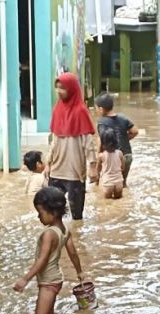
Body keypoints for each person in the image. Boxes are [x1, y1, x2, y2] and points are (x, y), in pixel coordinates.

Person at [13, 187, 85, 314]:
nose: (38, 216)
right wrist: (79, 272)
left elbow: (43, 259)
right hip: (56, 280)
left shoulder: (49, 234)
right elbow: (73, 253)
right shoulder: (65, 231)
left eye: (40, 213)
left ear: (54, 212)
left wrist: (25, 279)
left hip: (48, 282)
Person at [46, 73, 97, 220]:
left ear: (72, 89)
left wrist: (92, 166)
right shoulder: (57, 109)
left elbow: (88, 143)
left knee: (77, 217)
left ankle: (77, 240)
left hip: (74, 173)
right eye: (57, 88)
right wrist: (48, 164)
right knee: (53, 213)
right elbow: (54, 140)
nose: (59, 91)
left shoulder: (81, 111)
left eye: (62, 88)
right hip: (56, 171)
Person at [95, 93, 138, 186]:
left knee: (108, 182)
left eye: (96, 108)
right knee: (122, 183)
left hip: (111, 158)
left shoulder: (102, 122)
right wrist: (125, 139)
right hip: (127, 156)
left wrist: (98, 156)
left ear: (101, 109)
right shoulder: (123, 117)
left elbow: (102, 141)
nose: (96, 111)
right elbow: (135, 131)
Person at [97, 128, 125, 199]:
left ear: (103, 143)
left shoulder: (101, 156)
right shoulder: (120, 153)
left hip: (107, 183)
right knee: (118, 201)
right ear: (116, 141)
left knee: (107, 204)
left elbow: (98, 170)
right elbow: (123, 168)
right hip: (119, 182)